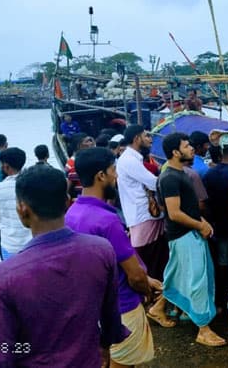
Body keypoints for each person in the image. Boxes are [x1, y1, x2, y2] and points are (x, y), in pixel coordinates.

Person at [0, 165, 128, 367]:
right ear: (68, 202)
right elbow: (111, 316)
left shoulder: (4, 276)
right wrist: (104, 345)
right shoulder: (101, 250)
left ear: (22, 210)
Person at [67, 148, 159, 367]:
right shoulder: (107, 221)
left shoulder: (72, 214)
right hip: (121, 306)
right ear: (101, 176)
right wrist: (146, 291)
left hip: (92, 307)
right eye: (113, 170)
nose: (116, 176)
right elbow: (134, 275)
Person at [146, 132, 226, 347]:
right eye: (187, 145)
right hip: (183, 235)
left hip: (187, 233)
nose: (191, 148)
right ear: (175, 152)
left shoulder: (180, 173)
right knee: (198, 280)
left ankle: (158, 308)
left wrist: (202, 222)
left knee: (178, 275)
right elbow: (174, 213)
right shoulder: (171, 176)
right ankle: (203, 328)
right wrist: (200, 225)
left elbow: (186, 208)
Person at [117, 125, 168, 286]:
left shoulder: (131, 159)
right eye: (146, 136)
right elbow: (153, 183)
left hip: (141, 214)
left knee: (155, 255)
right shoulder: (130, 160)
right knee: (150, 256)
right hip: (143, 215)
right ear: (137, 139)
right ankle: (154, 298)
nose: (150, 139)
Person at [202, 132, 228, 310]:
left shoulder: (209, 174)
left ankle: (219, 300)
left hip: (216, 225)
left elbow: (205, 202)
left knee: (221, 263)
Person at [0, 148, 31, 261]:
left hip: (9, 244)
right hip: (31, 243)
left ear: (6, 166)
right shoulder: (32, 184)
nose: (0, 167)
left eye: (1, 164)